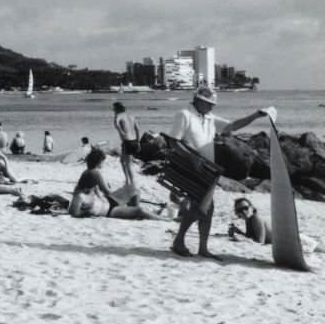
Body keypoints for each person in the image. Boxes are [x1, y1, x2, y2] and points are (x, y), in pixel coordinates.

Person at [168, 87, 269, 259]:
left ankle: (202, 248)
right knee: (201, 209)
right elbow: (173, 142)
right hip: (191, 168)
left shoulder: (209, 117)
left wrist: (254, 116)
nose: (212, 107)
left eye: (213, 105)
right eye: (209, 104)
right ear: (199, 101)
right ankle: (179, 241)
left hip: (207, 170)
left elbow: (232, 126)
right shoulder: (184, 114)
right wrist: (192, 159)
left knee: (207, 209)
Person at [68, 150, 165, 220]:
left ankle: (133, 212)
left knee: (133, 190)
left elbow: (99, 192)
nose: (103, 164)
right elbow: (74, 213)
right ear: (99, 162)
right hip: (110, 210)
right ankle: (165, 220)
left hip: (107, 203)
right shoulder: (93, 174)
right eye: (102, 162)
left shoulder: (88, 174)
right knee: (139, 208)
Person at [113, 102, 140, 187]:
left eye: (114, 108)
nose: (113, 110)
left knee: (127, 164)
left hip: (127, 142)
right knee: (122, 161)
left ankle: (131, 183)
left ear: (117, 109)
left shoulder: (118, 116)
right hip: (134, 141)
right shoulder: (131, 116)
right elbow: (138, 129)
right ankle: (128, 180)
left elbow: (116, 125)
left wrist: (121, 131)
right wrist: (138, 142)